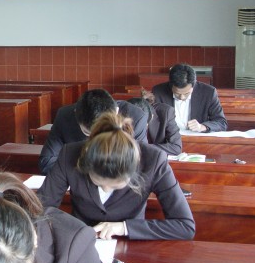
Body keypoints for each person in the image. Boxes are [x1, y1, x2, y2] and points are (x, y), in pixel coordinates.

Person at [38, 112, 195, 241]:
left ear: (134, 169)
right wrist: (71, 230)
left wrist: (124, 227)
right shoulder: (70, 154)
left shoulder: (154, 160)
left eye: (115, 184)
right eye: (98, 182)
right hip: (80, 241)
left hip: (132, 242)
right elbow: (40, 209)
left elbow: (185, 226)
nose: (106, 189)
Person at [38, 89, 148, 175]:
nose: (96, 138)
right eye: (87, 133)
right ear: (76, 113)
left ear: (116, 111)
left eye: (103, 131)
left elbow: (139, 164)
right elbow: (46, 163)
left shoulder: (136, 118)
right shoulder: (65, 116)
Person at [152, 63, 227, 132]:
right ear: (170, 86)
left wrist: (202, 127)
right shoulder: (158, 92)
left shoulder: (208, 93)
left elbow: (221, 122)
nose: (182, 97)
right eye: (177, 94)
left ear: (194, 86)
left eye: (186, 93)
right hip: (168, 139)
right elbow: (153, 122)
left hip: (197, 138)